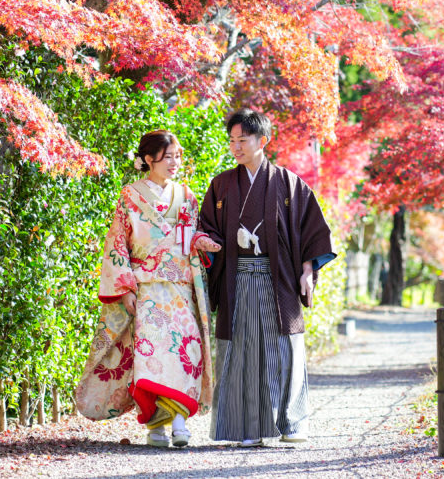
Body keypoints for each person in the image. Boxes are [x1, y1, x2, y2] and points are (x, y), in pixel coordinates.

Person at [75, 130, 222, 448]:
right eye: (168, 157)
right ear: (148, 159)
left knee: (185, 353)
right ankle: (156, 427)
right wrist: (125, 289)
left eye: (177, 156)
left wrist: (202, 241)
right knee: (153, 357)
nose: (174, 162)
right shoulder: (130, 195)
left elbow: (191, 234)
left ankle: (179, 422)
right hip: (147, 290)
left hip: (180, 288)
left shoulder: (186, 195)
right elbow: (117, 243)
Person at [198, 109, 336, 446]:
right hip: (237, 279)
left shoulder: (289, 183)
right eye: (232, 140)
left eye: (242, 140)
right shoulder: (222, 185)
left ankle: (291, 422)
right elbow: (207, 228)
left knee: (284, 349)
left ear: (263, 141)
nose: (235, 147)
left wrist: (308, 271)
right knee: (242, 352)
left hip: (279, 280)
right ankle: (248, 428)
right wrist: (208, 242)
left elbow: (312, 231)